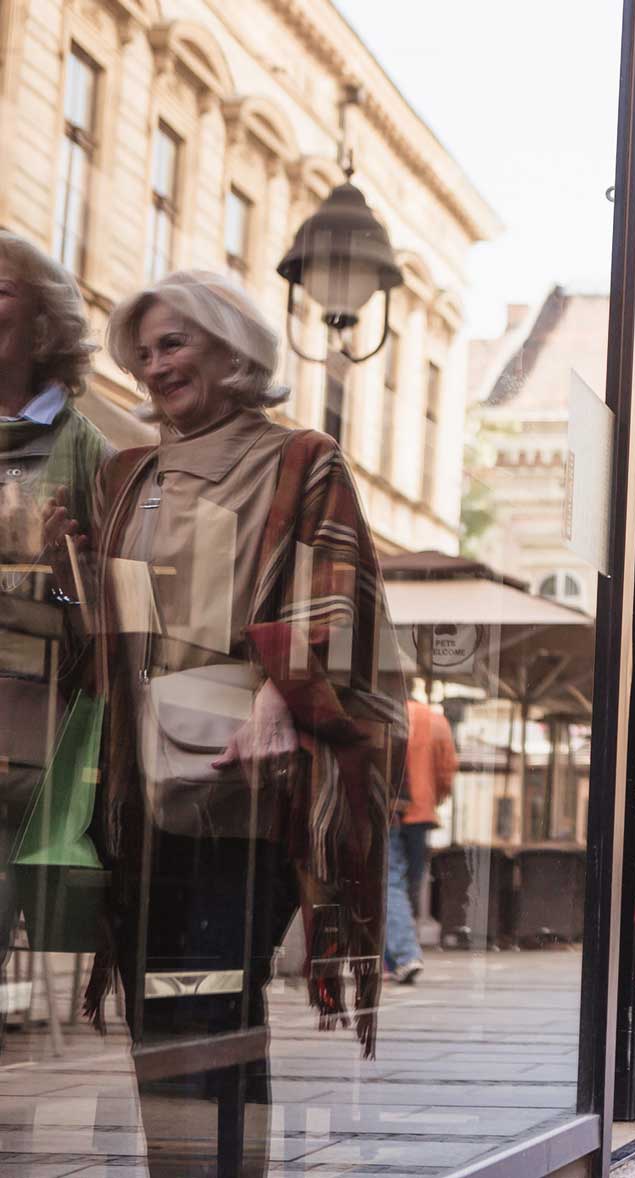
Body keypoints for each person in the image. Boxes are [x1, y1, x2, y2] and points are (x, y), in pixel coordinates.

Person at [51, 271, 405, 1176]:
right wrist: (68, 566)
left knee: (213, 1008)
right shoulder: (126, 473)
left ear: (231, 348)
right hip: (132, 796)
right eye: (145, 348)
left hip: (242, 789)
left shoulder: (299, 460)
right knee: (159, 1016)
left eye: (175, 343)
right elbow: (104, 629)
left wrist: (280, 693)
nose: (154, 363)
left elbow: (340, 599)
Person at [0, 231, 110, 989]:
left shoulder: (86, 451)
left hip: (24, 746)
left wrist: (56, 573)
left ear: (44, 327)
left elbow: (112, 618)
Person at [384, 696, 458, 984]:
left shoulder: (382, 712)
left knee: (391, 883)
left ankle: (399, 956)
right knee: (407, 883)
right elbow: (447, 771)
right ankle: (400, 955)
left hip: (388, 811)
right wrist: (432, 798)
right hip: (420, 813)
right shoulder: (435, 720)